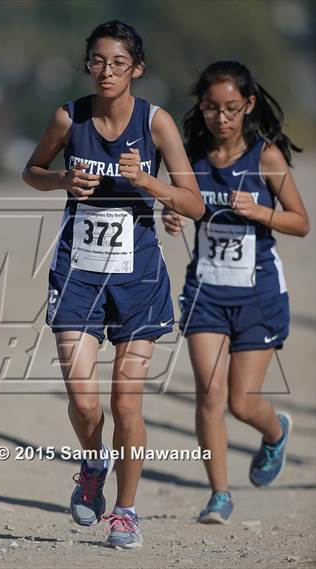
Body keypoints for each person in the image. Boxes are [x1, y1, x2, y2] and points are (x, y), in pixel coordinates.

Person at [23, 20, 204, 547]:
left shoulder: (156, 123)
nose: (107, 72)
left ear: (137, 70)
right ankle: (93, 466)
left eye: (119, 63)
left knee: (127, 404)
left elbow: (192, 204)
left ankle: (125, 512)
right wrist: (60, 178)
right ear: (88, 64)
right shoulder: (68, 116)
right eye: (98, 61)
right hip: (78, 275)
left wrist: (148, 181)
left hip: (138, 279)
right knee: (85, 403)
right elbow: (31, 169)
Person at [162, 60, 310, 524]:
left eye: (230, 108)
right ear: (200, 107)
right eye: (210, 108)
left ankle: (274, 432)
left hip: (258, 295)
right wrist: (173, 215)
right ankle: (219, 495)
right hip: (205, 291)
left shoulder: (265, 157)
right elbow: (183, 205)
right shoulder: (190, 159)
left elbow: (300, 223)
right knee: (208, 395)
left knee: (240, 403)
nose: (220, 118)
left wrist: (260, 212)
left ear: (247, 106)